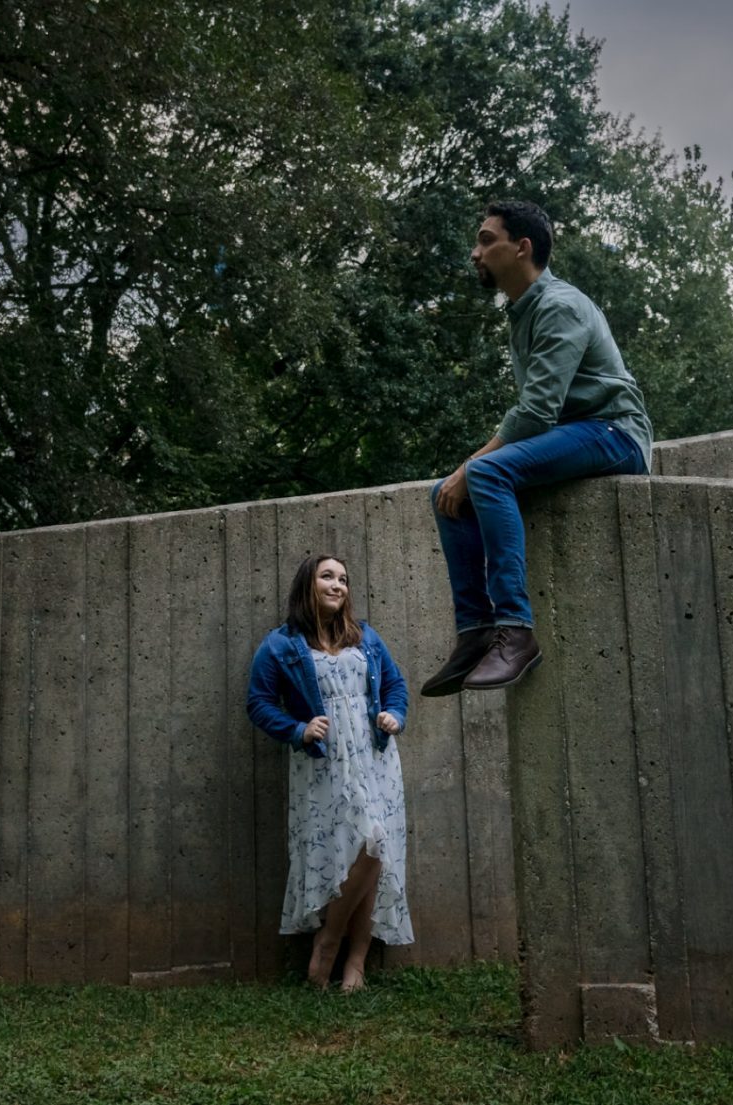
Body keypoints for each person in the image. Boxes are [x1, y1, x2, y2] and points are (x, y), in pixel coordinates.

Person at [423, 200, 653, 696]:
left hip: (614, 433)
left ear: (522, 247)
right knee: (444, 493)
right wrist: (462, 474)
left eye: (487, 240)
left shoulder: (559, 306)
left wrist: (472, 464)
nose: (474, 252)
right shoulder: (523, 311)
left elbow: (536, 411)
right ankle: (476, 633)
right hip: (574, 435)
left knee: (481, 475)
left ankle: (516, 631)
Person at [246, 554, 413, 989]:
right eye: (327, 577)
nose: (338, 585)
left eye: (343, 579)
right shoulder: (280, 645)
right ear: (308, 585)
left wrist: (395, 714)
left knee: (375, 844)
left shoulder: (366, 638)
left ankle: (348, 954)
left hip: (374, 756)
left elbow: (395, 685)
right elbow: (258, 703)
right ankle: (331, 945)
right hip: (323, 762)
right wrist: (298, 729)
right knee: (351, 850)